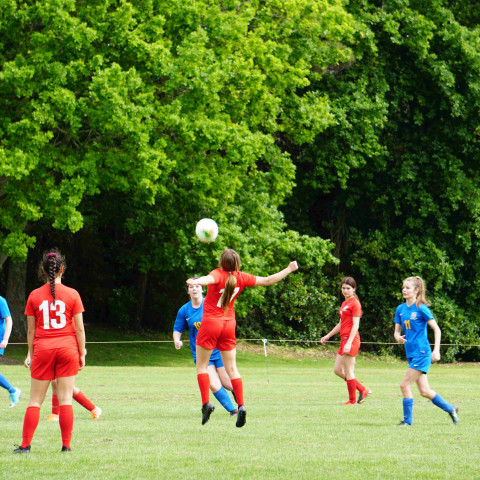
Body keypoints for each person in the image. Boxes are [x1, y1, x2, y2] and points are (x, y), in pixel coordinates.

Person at [187, 248, 298, 427]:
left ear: (221, 262)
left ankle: (206, 404)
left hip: (210, 324)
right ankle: (241, 405)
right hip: (229, 324)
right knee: (232, 369)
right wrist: (289, 269)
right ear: (237, 263)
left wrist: (195, 281)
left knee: (202, 366)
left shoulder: (217, 274)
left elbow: (207, 280)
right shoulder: (241, 277)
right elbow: (268, 280)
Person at [14, 250, 86, 454]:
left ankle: (25, 445)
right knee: (65, 400)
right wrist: (82, 353)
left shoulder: (34, 295)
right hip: (67, 348)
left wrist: (30, 353)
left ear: (44, 271)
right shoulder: (73, 294)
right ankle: (66, 446)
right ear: (62, 269)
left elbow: (31, 330)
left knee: (35, 400)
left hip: (43, 349)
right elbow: (79, 329)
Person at [394, 276, 459, 426]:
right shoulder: (400, 309)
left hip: (422, 354)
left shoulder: (421, 308)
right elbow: (396, 332)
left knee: (404, 385)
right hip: (411, 353)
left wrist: (436, 350)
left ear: (416, 291)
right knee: (425, 391)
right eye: (403, 287)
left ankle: (407, 422)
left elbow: (437, 329)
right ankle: (451, 409)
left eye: (408, 288)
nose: (404, 290)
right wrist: (398, 338)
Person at [174, 281, 237, 416]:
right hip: (201, 354)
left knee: (228, 383)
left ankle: (236, 393)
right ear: (188, 291)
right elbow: (177, 329)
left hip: (218, 350)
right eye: (191, 287)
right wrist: (176, 340)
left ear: (202, 290)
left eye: (197, 286)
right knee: (213, 384)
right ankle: (234, 411)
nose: (194, 289)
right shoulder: (184, 310)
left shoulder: (211, 305)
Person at [321, 277, 371, 405]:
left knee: (349, 371)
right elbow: (341, 323)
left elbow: (355, 325)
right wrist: (328, 335)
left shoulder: (355, 303)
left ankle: (352, 400)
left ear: (354, 289)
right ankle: (362, 389)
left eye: (348, 288)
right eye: (343, 288)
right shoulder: (344, 303)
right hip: (343, 339)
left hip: (351, 339)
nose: (345, 290)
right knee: (338, 370)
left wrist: (349, 342)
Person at [0, 295, 21, 407]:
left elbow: (9, 320)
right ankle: (12, 390)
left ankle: (13, 391)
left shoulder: (1, 300)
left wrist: (5, 339)